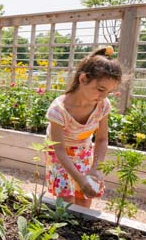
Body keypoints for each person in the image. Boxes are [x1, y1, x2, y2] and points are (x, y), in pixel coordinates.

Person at [45, 46, 122, 208]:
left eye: (108, 92)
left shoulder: (102, 106)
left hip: (84, 153)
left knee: (84, 201)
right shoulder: (58, 110)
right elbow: (58, 150)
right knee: (66, 205)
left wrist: (96, 168)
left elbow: (101, 139)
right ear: (83, 79)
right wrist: (79, 178)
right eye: (100, 89)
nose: (103, 96)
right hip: (60, 156)